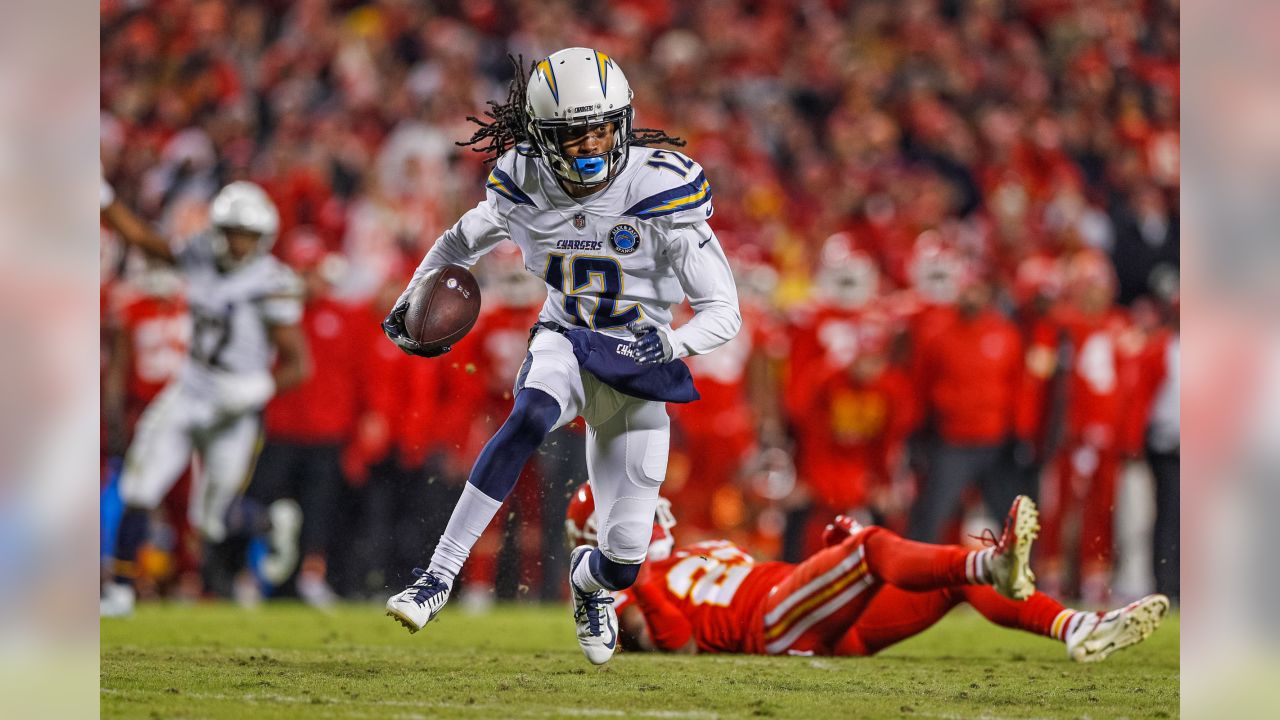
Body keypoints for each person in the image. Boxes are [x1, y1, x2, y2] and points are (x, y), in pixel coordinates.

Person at [380, 49, 741, 666]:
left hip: (639, 363)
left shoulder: (660, 188)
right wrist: (414, 295)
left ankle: (588, 582)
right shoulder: (523, 183)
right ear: (544, 138)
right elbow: (456, 244)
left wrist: (674, 343)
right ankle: (436, 578)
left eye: (601, 128)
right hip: (567, 337)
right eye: (574, 134)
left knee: (626, 559)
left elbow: (724, 312)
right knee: (527, 415)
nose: (591, 144)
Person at [565, 483, 1168, 663]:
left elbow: (758, 579)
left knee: (950, 574)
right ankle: (996, 561)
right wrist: (636, 576)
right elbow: (681, 647)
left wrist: (826, 560)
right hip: (775, 628)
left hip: (799, 610)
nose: (651, 513)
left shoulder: (696, 550)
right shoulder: (612, 595)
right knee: (874, 544)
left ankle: (1076, 629)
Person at [99, 177, 311, 617]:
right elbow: (143, 239)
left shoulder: (273, 281)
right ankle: (118, 589)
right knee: (139, 486)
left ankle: (269, 523)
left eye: (247, 234)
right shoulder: (198, 254)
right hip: (191, 387)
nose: (238, 242)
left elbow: (298, 363)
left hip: (237, 405)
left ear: (263, 238)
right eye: (232, 230)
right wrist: (104, 196)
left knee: (210, 521)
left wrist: (258, 388)